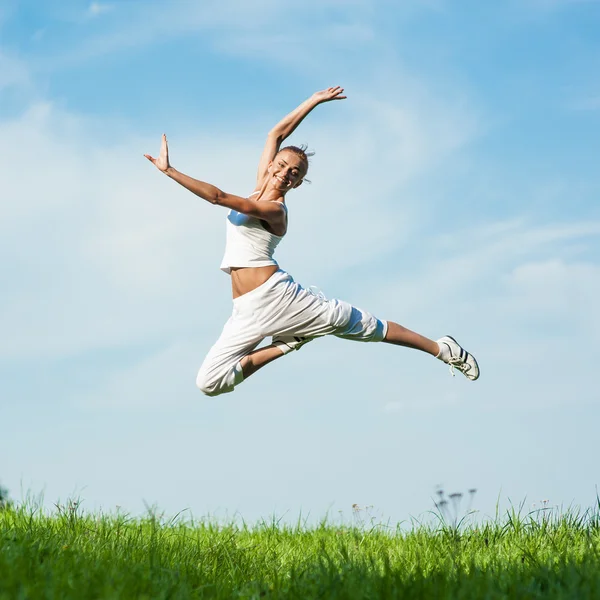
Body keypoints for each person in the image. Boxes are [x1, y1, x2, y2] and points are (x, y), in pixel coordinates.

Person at [145, 86, 479, 396]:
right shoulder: (260, 185)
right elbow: (276, 133)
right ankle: (289, 343)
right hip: (245, 310)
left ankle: (441, 348)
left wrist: (170, 171)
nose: (287, 172)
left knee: (365, 327)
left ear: (299, 183)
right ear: (273, 163)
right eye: (284, 164)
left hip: (280, 297)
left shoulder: (275, 210)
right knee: (209, 383)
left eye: (296, 172)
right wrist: (314, 101)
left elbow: (218, 197)